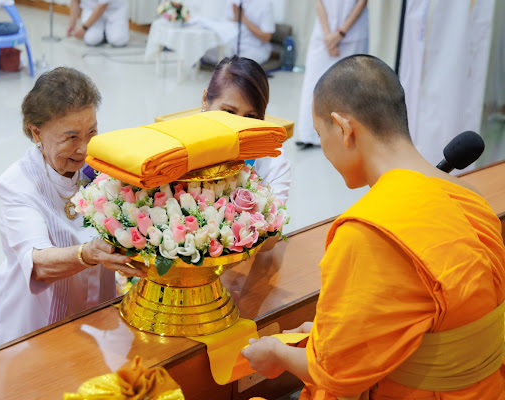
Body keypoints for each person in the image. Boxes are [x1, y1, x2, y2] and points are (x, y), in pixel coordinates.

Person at [242, 55, 505, 399]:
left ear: (343, 128)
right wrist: (327, 334)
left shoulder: (366, 233)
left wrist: (277, 354)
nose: (325, 153)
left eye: (321, 135)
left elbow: (337, 374)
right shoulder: (471, 198)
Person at [0, 67, 145, 348]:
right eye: (71, 137)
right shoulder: (17, 185)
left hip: (95, 318)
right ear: (36, 132)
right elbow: (37, 264)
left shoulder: (99, 167)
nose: (84, 149)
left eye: (92, 131)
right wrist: (88, 254)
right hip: (33, 327)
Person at [201, 55, 291, 204]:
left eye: (250, 116)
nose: (238, 126)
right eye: (229, 112)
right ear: (205, 100)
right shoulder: (178, 150)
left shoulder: (273, 161)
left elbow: (275, 212)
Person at [295, 0, 367, 148]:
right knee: (313, 84)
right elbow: (319, 2)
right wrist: (328, 36)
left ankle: (343, 136)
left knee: (347, 89)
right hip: (323, 33)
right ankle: (308, 135)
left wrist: (340, 34)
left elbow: (362, 2)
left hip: (352, 33)